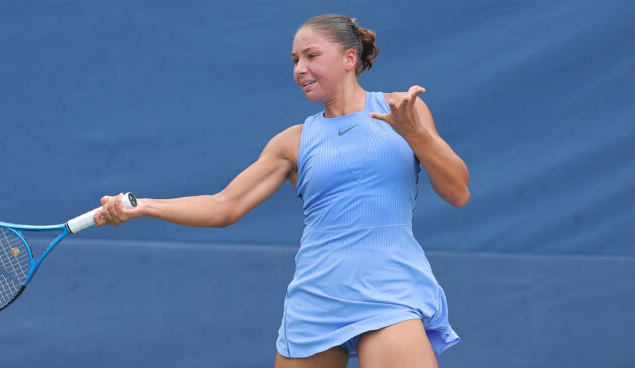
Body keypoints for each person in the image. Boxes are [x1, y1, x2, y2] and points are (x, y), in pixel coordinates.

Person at [95, 13, 469, 368]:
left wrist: (416, 134)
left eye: (311, 56)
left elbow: (458, 193)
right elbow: (224, 205)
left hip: (389, 290)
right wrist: (144, 206)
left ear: (349, 58)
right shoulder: (293, 141)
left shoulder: (402, 110)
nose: (299, 69)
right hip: (316, 299)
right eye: (295, 60)